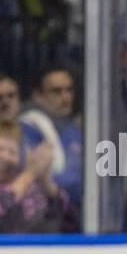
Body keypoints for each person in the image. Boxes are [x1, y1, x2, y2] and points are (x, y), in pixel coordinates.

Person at [19, 65, 84, 214]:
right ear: (37, 95)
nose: (66, 97)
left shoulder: (74, 130)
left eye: (69, 90)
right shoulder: (26, 129)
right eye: (56, 91)